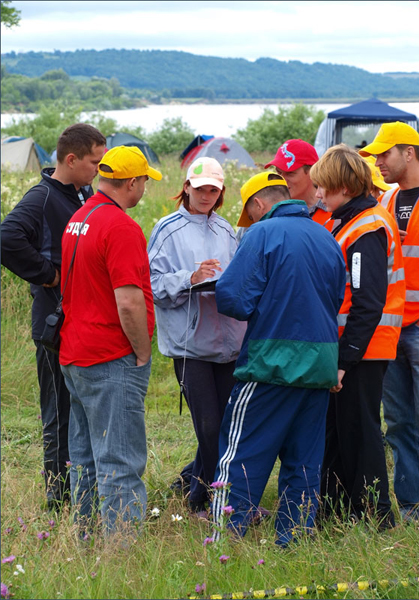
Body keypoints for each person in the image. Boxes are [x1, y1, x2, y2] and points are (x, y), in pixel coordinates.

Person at [211, 172, 346, 547]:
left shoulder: (260, 234)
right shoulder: (326, 236)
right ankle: (294, 540)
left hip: (270, 363)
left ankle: (224, 540)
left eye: (250, 214)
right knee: (304, 462)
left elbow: (234, 299)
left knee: (240, 454)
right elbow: (336, 298)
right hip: (319, 364)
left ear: (258, 205)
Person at [1, 123, 106, 511]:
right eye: (94, 161)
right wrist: (49, 275)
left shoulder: (83, 193)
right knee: (59, 412)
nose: (99, 168)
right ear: (71, 158)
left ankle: (83, 489)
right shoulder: (43, 197)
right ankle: (58, 499)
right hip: (53, 324)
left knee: (79, 409)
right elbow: (7, 238)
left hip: (82, 321)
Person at [59, 145, 161, 534]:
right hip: (109, 355)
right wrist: (141, 351)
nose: (144, 190)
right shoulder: (121, 226)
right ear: (131, 182)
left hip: (75, 352)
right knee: (120, 460)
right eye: (144, 183)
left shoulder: (80, 217)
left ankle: (85, 539)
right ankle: (122, 552)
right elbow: (130, 301)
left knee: (84, 458)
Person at [309, 144, 405, 530]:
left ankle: (376, 517)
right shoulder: (349, 220)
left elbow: (367, 303)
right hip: (352, 347)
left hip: (363, 349)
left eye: (323, 188)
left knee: (361, 431)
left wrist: (344, 361)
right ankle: (335, 509)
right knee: (339, 430)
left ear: (344, 188)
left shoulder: (367, 227)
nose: (317, 195)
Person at [360, 122, 419, 521]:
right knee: (398, 425)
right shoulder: (387, 200)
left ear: (408, 153)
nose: (378, 162)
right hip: (391, 331)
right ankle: (416, 511)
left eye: (384, 154)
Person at [147, 157, 246, 516]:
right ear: (186, 187)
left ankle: (201, 491)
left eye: (213, 190)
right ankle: (206, 499)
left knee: (228, 425)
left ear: (220, 194)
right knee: (208, 425)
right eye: (200, 188)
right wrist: (191, 278)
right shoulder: (166, 229)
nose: (206, 195)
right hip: (190, 347)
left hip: (229, 343)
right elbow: (152, 284)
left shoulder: (226, 230)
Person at [264, 138, 330, 225]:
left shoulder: (334, 211)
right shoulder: (267, 210)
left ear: (312, 172)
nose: (282, 180)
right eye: (279, 172)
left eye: (290, 173)